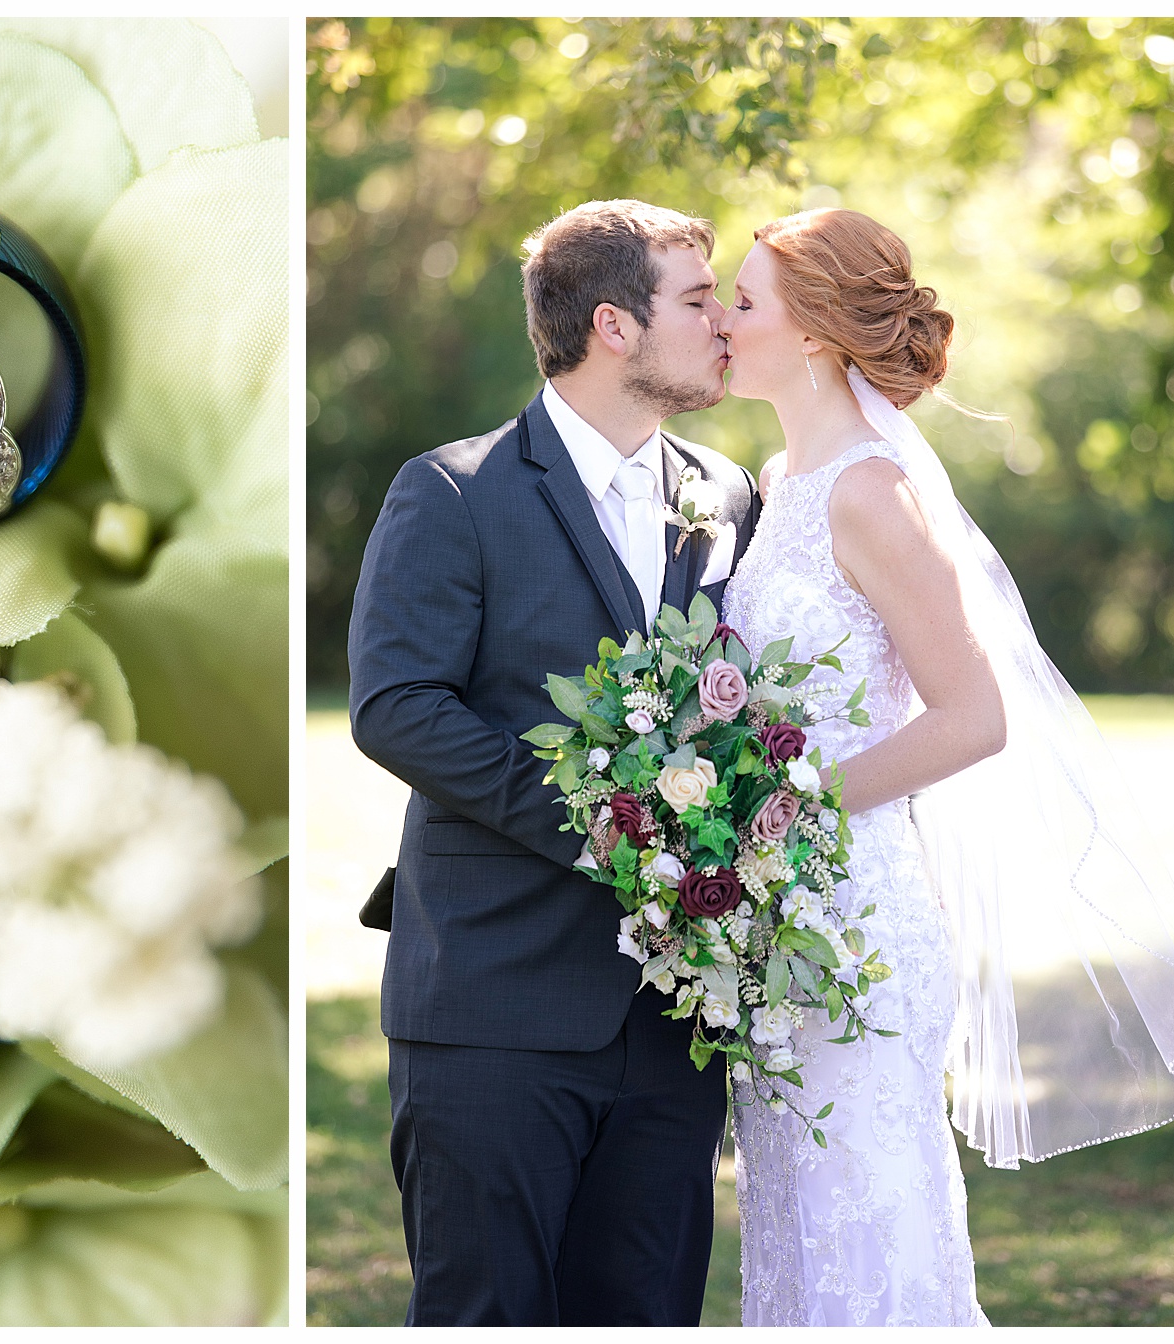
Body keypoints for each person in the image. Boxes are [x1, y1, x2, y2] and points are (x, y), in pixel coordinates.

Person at [716, 207, 1174, 1326]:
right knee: (795, 1229)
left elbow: (974, 717)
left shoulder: (872, 492)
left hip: (859, 924)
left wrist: (792, 809)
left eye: (742, 301)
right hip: (777, 923)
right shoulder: (780, 479)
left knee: (868, 1219)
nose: (722, 323)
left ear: (817, 333)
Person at [347, 199, 760, 1325]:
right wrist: (611, 829)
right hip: (492, 1007)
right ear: (615, 326)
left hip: (673, 1023)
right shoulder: (451, 492)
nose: (723, 319)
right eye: (695, 299)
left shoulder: (727, 496)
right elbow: (395, 707)